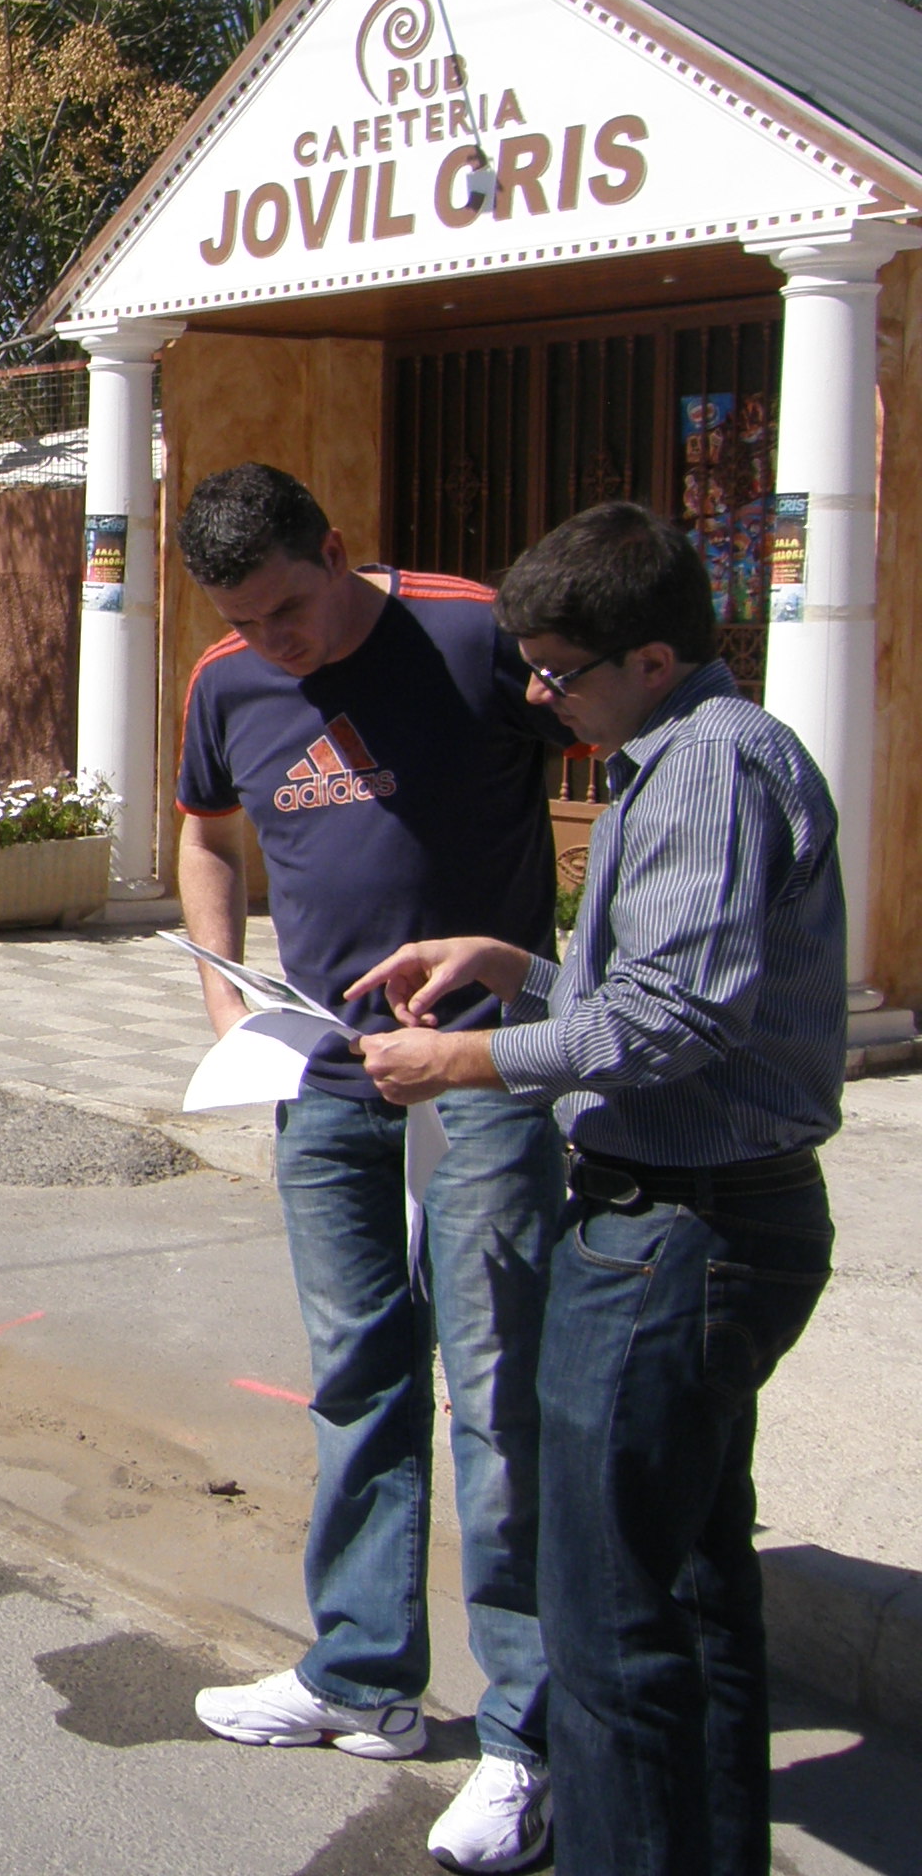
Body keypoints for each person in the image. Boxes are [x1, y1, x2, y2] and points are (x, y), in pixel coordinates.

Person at [355, 502, 844, 1876]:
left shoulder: (706, 766)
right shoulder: (683, 753)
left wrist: (466, 1059)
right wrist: (516, 969)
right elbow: (658, 990)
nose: (536, 696)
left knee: (610, 1618)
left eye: (558, 671)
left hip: (679, 1228)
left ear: (653, 658)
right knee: (687, 1582)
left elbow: (673, 1019)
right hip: (698, 1215)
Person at [170, 464, 565, 1875]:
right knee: (356, 1368)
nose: (273, 643)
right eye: (243, 621)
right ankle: (362, 1675)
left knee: (499, 1388)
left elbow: (621, 760)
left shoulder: (473, 632)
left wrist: (570, 988)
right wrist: (229, 1000)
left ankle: (528, 1737)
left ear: (337, 551)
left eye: (288, 608)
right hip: (326, 1075)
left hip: (484, 1073)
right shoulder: (226, 682)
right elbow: (207, 833)